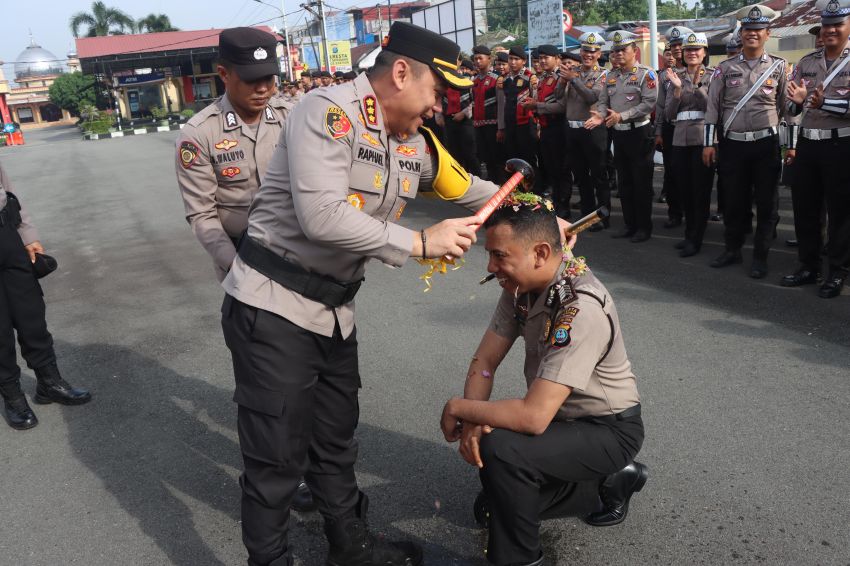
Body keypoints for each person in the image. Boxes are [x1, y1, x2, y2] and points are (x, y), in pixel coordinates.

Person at [219, 22, 509, 566]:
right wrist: (421, 240)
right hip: (273, 305)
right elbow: (321, 215)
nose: (439, 108)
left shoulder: (413, 141)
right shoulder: (327, 112)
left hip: (333, 313)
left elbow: (469, 187)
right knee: (276, 457)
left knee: (334, 440)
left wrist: (542, 213)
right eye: (437, 92)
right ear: (401, 73)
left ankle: (349, 546)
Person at [440, 197, 646, 566]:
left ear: (540, 253)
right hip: (560, 421)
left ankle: (521, 559)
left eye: (499, 256)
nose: (490, 267)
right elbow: (485, 361)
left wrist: (459, 407)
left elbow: (533, 416)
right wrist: (474, 420)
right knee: (495, 497)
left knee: (502, 450)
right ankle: (599, 484)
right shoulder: (519, 287)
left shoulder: (579, 308)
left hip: (606, 429)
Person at [175, 28, 320, 512]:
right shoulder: (199, 134)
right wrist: (240, 270)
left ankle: (316, 466)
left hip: (307, 263)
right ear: (223, 74)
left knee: (312, 378)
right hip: (246, 264)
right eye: (252, 79)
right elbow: (202, 215)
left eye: (270, 77)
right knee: (266, 389)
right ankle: (280, 476)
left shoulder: (295, 116)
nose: (264, 88)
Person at [0, 161, 91, 430]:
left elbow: (10, 192)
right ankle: (12, 396)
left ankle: (49, 383)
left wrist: (28, 236)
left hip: (7, 238)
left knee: (32, 316)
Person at [703, 4, 792, 279]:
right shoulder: (724, 69)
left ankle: (760, 256)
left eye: (758, 30)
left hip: (766, 144)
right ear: (741, 34)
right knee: (733, 201)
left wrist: (791, 146)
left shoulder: (779, 67)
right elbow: (713, 109)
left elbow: (787, 111)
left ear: (767, 34)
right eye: (747, 30)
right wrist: (709, 143)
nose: (752, 34)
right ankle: (732, 249)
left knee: (767, 203)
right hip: (733, 145)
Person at [781, 0, 850, 298]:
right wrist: (797, 101)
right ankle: (808, 265)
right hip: (808, 142)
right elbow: (789, 107)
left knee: (841, 212)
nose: (831, 30)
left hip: (841, 144)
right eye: (827, 25)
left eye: (838, 24)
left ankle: (837, 271)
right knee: (805, 207)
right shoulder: (806, 63)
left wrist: (823, 103)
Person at [589, 30, 658, 242]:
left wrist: (622, 115)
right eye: (614, 51)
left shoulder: (647, 74)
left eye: (622, 50)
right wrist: (600, 116)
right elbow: (602, 102)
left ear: (634, 51)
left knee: (641, 183)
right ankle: (629, 225)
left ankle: (644, 228)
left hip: (639, 133)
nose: (617, 54)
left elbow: (648, 103)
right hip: (619, 135)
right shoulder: (610, 76)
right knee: (624, 183)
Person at [665, 32, 716, 257]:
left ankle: (696, 238)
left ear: (704, 53)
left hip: (703, 138)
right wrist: (677, 90)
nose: (692, 53)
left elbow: (714, 109)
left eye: (697, 49)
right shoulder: (674, 76)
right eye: (688, 50)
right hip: (680, 140)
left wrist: (697, 87)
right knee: (684, 190)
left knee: (700, 191)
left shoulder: (714, 76)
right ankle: (688, 234)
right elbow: (668, 114)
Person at [558, 33, 608, 227]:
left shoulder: (603, 74)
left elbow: (590, 98)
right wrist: (563, 81)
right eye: (585, 50)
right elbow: (557, 96)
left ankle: (603, 216)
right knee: (581, 175)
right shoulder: (573, 71)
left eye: (593, 51)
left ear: (599, 54)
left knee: (598, 175)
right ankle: (587, 216)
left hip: (592, 130)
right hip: (572, 129)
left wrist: (572, 80)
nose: (588, 54)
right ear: (581, 51)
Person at [656, 26, 693, 228]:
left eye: (681, 45)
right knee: (672, 172)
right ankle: (674, 213)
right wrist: (659, 131)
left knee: (691, 173)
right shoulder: (665, 75)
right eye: (674, 45)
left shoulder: (696, 70)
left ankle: (692, 213)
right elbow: (660, 105)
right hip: (671, 128)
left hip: (692, 128)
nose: (678, 49)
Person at [521, 45, 566, 208]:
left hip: (559, 126)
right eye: (540, 58)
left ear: (557, 59)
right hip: (546, 126)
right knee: (550, 167)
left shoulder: (562, 77)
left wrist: (536, 106)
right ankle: (556, 200)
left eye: (546, 57)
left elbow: (561, 106)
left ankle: (563, 205)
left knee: (561, 169)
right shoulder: (542, 78)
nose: (542, 61)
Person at [497, 46, 538, 185]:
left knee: (527, 158)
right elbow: (503, 103)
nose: (513, 62)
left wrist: (537, 125)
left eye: (516, 59)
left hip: (526, 124)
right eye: (511, 59)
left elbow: (536, 101)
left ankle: (532, 188)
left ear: (524, 61)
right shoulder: (505, 79)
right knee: (512, 158)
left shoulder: (530, 77)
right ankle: (515, 189)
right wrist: (501, 127)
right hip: (510, 125)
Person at [471, 45, 502, 183]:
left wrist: (501, 128)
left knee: (497, 158)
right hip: (479, 125)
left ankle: (500, 185)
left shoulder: (497, 79)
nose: (477, 61)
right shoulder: (474, 80)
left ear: (489, 59)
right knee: (486, 157)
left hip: (493, 125)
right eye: (475, 58)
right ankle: (491, 184)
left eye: (480, 58)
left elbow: (501, 105)